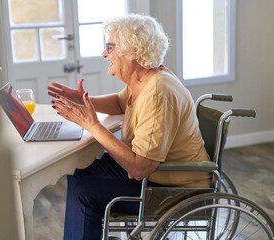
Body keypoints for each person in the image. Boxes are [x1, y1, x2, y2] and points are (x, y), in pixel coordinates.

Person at [48, 14, 210, 240]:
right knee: (77, 168)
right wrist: (84, 100)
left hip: (175, 190)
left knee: (86, 192)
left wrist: (92, 124)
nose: (105, 54)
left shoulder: (157, 93)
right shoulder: (146, 80)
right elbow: (119, 102)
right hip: (157, 176)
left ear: (134, 51)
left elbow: (140, 168)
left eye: (110, 47)